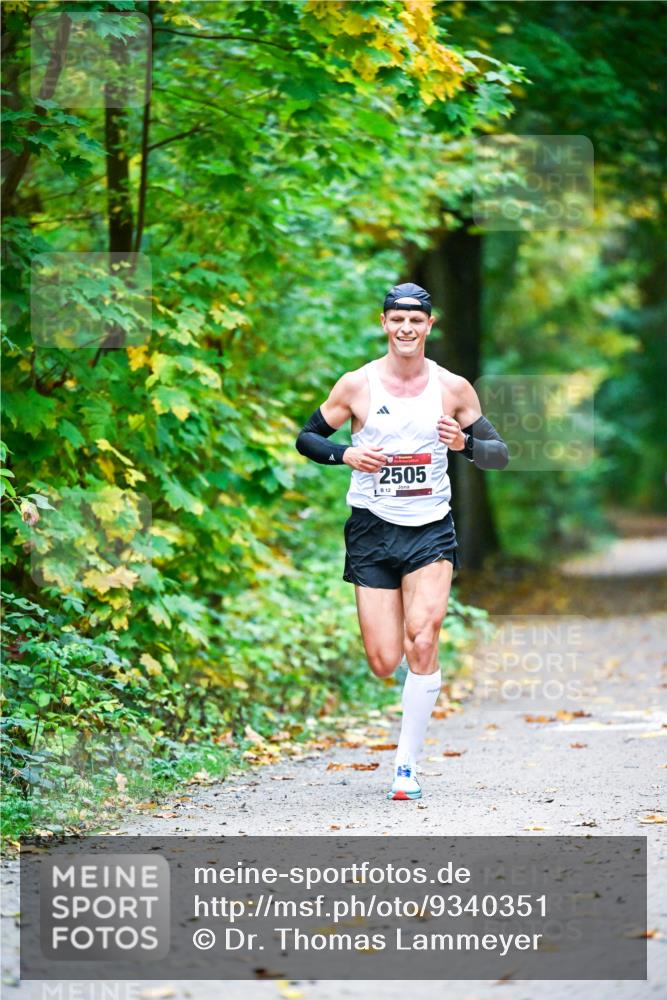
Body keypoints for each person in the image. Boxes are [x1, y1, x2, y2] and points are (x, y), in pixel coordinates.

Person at [295, 282, 508, 800]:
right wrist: (344, 454)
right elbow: (306, 438)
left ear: (429, 326)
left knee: (424, 637)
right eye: (397, 320)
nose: (406, 329)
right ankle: (406, 719)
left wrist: (464, 444)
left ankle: (406, 767)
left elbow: (498, 452)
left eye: (416, 321)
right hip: (371, 529)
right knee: (384, 659)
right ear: (385, 324)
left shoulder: (454, 388)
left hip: (431, 528)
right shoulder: (358, 386)